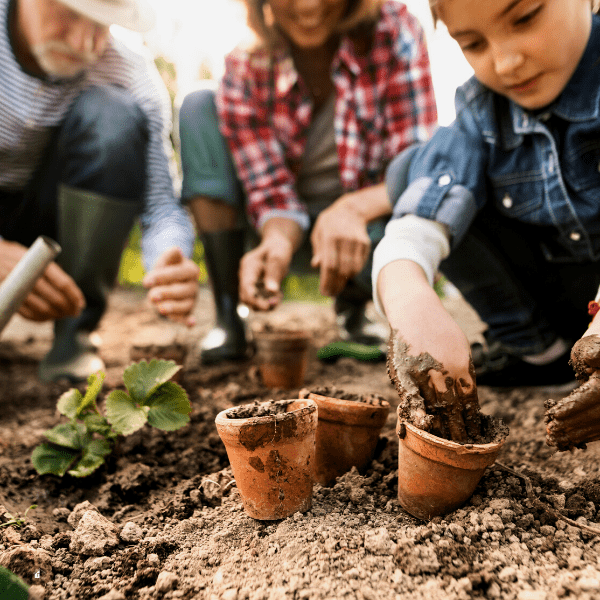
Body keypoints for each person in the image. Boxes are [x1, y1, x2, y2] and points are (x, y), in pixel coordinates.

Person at [374, 0, 600, 441]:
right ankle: (537, 352)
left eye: (526, 18)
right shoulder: (482, 110)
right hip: (556, 298)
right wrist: (411, 301)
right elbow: (416, 223)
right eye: (473, 43)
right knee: (411, 170)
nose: (506, 62)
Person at [178, 0, 437, 364]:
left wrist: (352, 210)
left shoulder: (394, 29)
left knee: (423, 210)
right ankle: (228, 311)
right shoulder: (245, 64)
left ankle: (355, 307)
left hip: (369, 229)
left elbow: (415, 166)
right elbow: (269, 190)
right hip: (284, 230)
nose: (309, 4)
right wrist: (278, 239)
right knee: (198, 105)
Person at [0, 0, 199, 382]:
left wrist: (168, 258)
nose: (83, 42)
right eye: (70, 12)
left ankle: (74, 337)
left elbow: (161, 207)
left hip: (52, 219)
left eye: (102, 24)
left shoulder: (128, 71)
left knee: (114, 116)